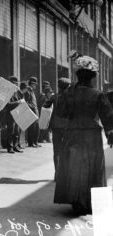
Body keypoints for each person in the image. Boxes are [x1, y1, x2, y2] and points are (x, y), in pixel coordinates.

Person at [54, 56, 113, 214]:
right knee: (92, 166)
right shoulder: (98, 94)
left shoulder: (68, 92)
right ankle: (89, 201)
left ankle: (75, 200)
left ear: (77, 74)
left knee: (73, 165)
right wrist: (110, 134)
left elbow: (61, 112)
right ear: (93, 76)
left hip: (72, 133)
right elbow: (107, 117)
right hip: (91, 135)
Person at [43, 78, 71, 180]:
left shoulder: (55, 97)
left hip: (56, 126)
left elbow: (45, 106)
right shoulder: (72, 97)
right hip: (68, 127)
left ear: (59, 86)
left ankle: (57, 174)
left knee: (57, 151)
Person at [5, 76, 23, 153]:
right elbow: (8, 104)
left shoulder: (16, 92)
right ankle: (10, 147)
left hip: (16, 113)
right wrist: (18, 102)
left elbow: (20, 99)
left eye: (16, 83)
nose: (16, 85)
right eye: (15, 83)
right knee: (10, 131)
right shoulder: (8, 92)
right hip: (10, 114)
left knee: (16, 131)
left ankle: (15, 146)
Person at [24, 77, 41, 147]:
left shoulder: (32, 91)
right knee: (31, 128)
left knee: (36, 128)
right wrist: (32, 107)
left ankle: (35, 142)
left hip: (35, 112)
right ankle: (31, 143)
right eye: (34, 84)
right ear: (31, 84)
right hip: (31, 112)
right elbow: (26, 102)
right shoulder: (28, 91)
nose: (35, 86)